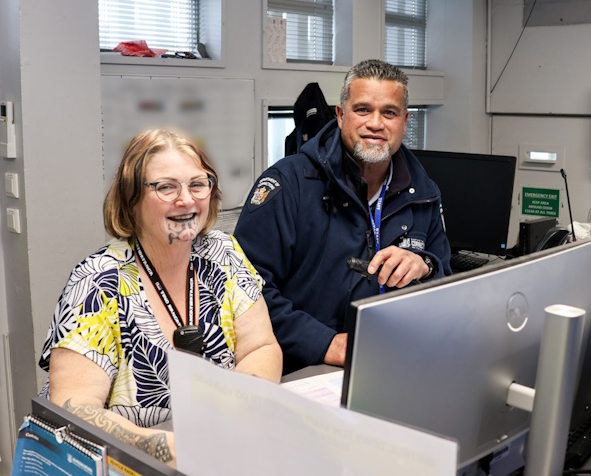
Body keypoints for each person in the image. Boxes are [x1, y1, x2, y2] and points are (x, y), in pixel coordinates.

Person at [38, 129, 282, 467]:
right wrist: (163, 447)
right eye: (166, 187)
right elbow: (73, 407)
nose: (186, 200)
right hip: (126, 463)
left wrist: (240, 407)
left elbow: (261, 347)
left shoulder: (223, 253)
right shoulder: (98, 282)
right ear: (131, 199)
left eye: (198, 184)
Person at [234, 59, 452, 374]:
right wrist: (326, 343)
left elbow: (446, 281)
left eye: (389, 113)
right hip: (304, 367)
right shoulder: (289, 184)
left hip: (391, 360)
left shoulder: (423, 192)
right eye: (362, 110)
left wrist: (426, 266)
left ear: (404, 122)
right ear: (340, 115)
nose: (376, 123)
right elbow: (246, 290)